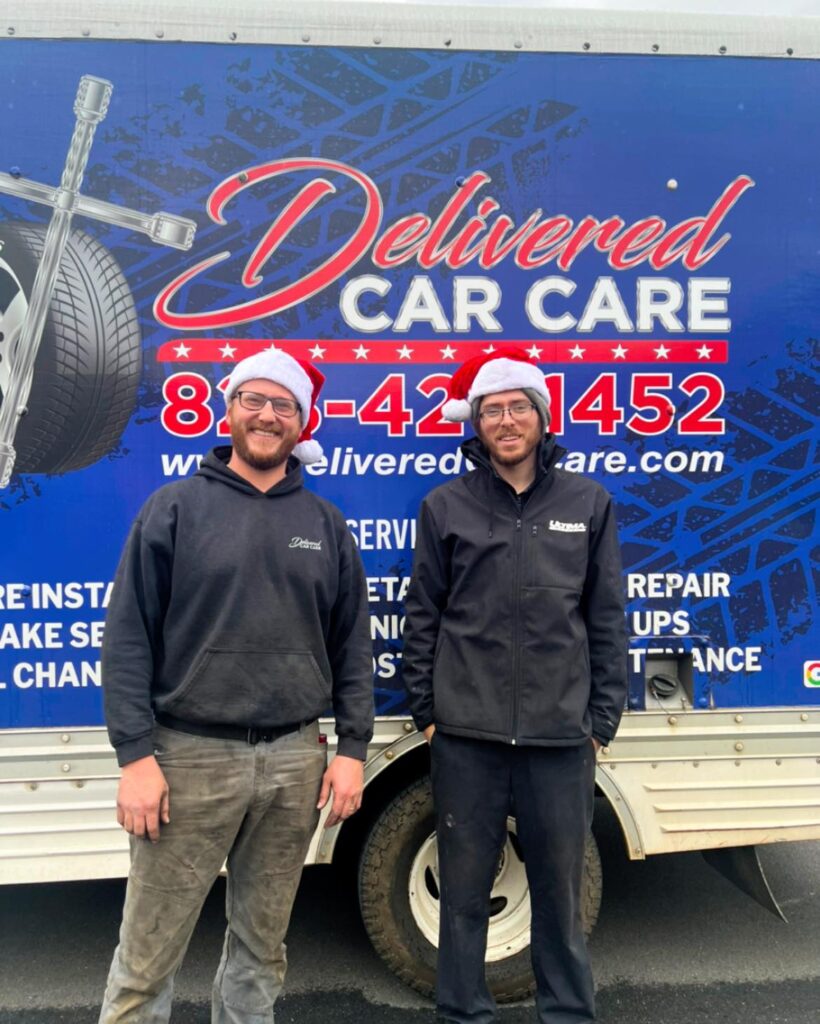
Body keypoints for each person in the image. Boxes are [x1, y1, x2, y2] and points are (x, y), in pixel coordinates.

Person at [98, 348, 374, 1024]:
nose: (267, 414)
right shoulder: (174, 510)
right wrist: (135, 758)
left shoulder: (324, 525)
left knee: (261, 952)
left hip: (293, 764)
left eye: (283, 405)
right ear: (229, 410)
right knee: (147, 959)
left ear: (300, 423)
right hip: (187, 758)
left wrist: (352, 748)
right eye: (254, 399)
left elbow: (352, 646)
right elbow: (127, 639)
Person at [402, 347, 627, 1024]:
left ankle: (567, 1014)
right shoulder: (446, 506)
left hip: (560, 739)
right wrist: (428, 711)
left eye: (517, 407)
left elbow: (606, 615)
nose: (505, 421)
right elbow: (425, 615)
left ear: (541, 417)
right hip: (466, 737)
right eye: (492, 410)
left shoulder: (587, 502)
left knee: (559, 895)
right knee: (464, 895)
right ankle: (463, 1014)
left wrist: (601, 720)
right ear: (476, 423)